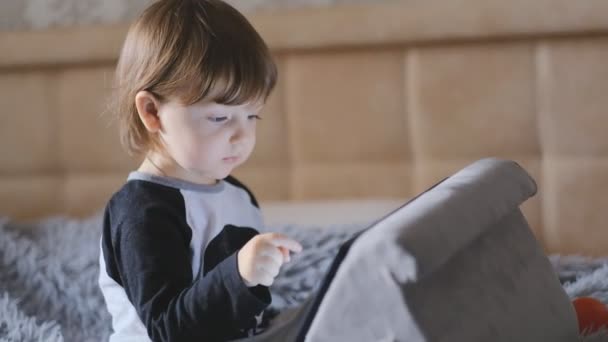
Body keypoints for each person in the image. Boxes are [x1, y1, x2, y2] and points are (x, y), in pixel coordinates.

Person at [98, 1, 302, 341]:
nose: (242, 136)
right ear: (153, 112)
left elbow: (242, 315)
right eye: (219, 117)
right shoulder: (142, 212)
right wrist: (238, 274)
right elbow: (167, 329)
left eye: (253, 116)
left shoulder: (238, 196)